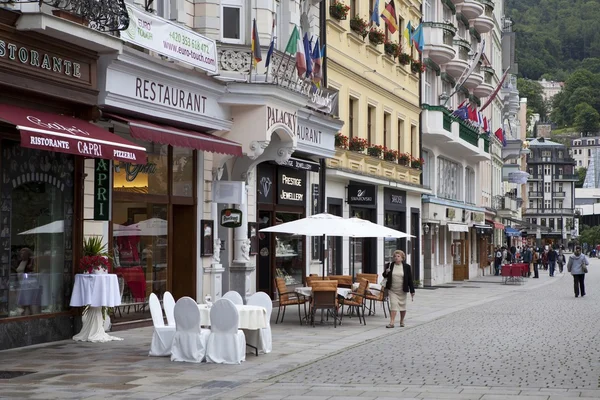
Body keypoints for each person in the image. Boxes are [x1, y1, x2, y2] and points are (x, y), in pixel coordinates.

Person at [383, 250, 415, 328]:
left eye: (398, 256)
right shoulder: (390, 265)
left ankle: (402, 321)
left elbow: (410, 279)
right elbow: (384, 275)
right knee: (393, 305)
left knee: (402, 306)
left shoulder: (406, 266)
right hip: (392, 289)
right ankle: (392, 322)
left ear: (402, 258)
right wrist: (386, 272)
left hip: (402, 290)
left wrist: (412, 290)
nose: (396, 258)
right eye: (395, 256)